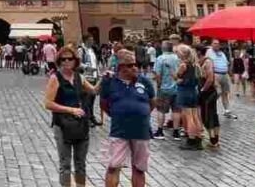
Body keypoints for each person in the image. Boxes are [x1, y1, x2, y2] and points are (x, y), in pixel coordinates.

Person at [100, 50, 155, 187]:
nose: (134, 68)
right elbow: (104, 104)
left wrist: (140, 113)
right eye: (130, 65)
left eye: (135, 64)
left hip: (141, 131)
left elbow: (152, 102)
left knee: (139, 168)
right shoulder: (110, 82)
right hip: (119, 130)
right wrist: (118, 114)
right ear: (120, 67)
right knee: (114, 166)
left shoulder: (145, 81)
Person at [45, 46, 95, 187]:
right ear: (59, 61)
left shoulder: (79, 77)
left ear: (75, 61)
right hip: (62, 125)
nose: (66, 61)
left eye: (70, 58)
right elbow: (48, 103)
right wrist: (71, 110)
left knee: (80, 164)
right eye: (63, 59)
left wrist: (106, 79)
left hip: (80, 125)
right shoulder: (55, 78)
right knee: (65, 164)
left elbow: (94, 91)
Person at [151, 41, 181, 140]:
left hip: (164, 88)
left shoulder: (160, 59)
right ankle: (176, 132)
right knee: (176, 110)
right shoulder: (177, 58)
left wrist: (158, 86)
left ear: (163, 48)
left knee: (161, 110)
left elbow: (158, 75)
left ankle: (160, 131)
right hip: (177, 88)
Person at [174, 44, 202, 150]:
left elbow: (177, 77)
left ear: (182, 54)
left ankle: (191, 140)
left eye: (177, 53)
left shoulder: (183, 65)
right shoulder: (195, 64)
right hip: (193, 92)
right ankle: (198, 138)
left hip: (184, 92)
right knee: (195, 116)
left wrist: (177, 79)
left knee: (189, 117)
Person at [196, 45, 221, 149]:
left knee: (209, 115)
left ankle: (214, 140)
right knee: (207, 114)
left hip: (209, 92)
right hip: (204, 92)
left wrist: (203, 90)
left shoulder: (207, 61)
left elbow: (210, 79)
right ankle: (213, 139)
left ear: (198, 52)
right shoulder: (199, 61)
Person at [207, 40, 236, 120]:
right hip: (215, 74)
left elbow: (226, 64)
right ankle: (209, 108)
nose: (216, 45)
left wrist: (231, 75)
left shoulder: (222, 53)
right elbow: (207, 65)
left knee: (225, 93)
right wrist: (211, 76)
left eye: (218, 44)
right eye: (215, 43)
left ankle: (227, 111)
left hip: (224, 75)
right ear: (211, 44)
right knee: (217, 93)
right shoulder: (208, 52)